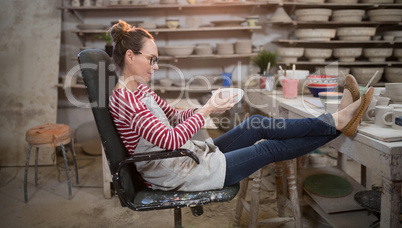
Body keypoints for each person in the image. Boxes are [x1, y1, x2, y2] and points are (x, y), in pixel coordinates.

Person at [108, 20, 374, 191]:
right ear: (130, 56)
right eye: (152, 59)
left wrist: (213, 105)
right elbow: (169, 138)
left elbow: (175, 117)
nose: (155, 67)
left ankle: (336, 120)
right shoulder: (126, 101)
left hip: (186, 157)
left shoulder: (140, 91)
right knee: (268, 148)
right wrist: (207, 109)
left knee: (254, 124)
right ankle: (338, 123)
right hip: (177, 172)